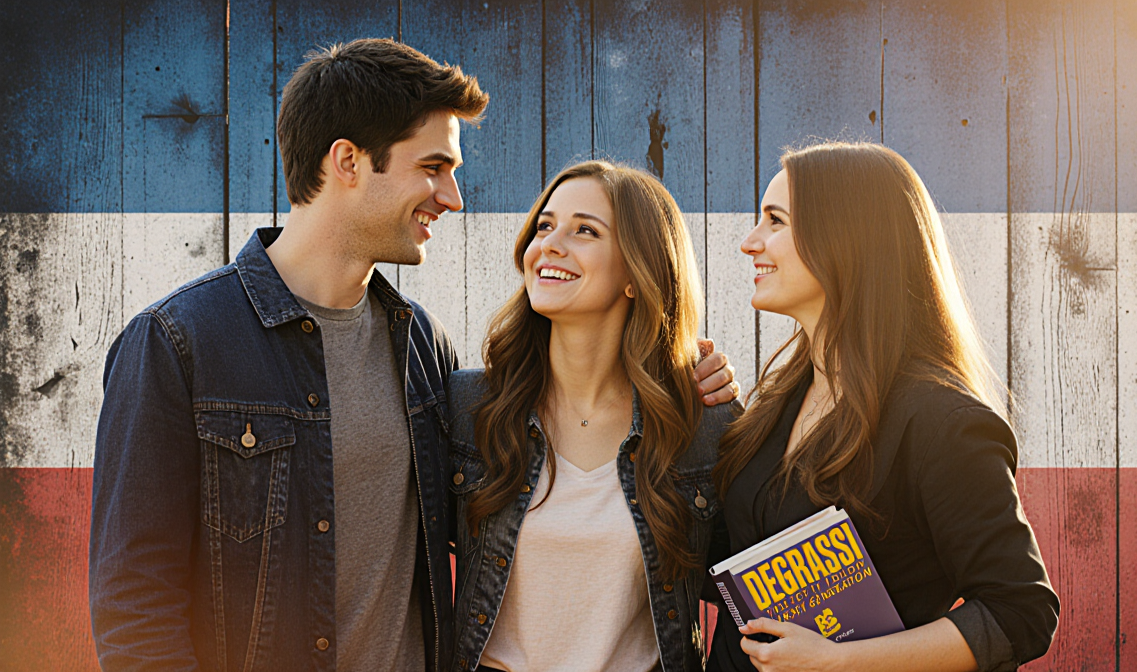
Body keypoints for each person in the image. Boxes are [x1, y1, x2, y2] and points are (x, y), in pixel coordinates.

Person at [89, 39, 737, 672]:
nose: (452, 197)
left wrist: (683, 380)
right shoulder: (177, 342)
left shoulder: (423, 350)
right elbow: (134, 605)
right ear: (347, 161)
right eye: (433, 167)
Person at [706, 142, 1058, 672]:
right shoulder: (775, 404)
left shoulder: (942, 424)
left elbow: (1022, 612)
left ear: (847, 237)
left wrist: (838, 662)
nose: (749, 242)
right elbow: (723, 569)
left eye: (775, 221)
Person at [445, 161, 738, 672]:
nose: (550, 245)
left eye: (585, 230)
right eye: (544, 226)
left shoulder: (700, 427)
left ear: (636, 271)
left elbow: (757, 593)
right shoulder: (468, 408)